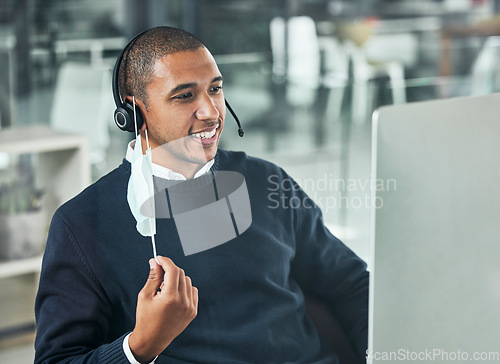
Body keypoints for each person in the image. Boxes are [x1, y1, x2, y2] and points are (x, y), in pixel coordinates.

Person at [35, 26, 368, 363]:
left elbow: (352, 284)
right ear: (135, 112)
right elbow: (56, 359)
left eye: (215, 89)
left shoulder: (266, 181)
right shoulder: (82, 224)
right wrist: (139, 347)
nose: (211, 112)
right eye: (184, 95)